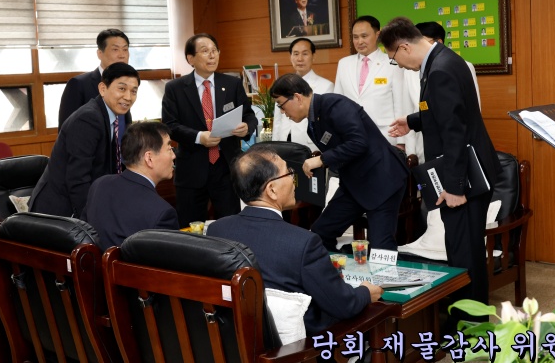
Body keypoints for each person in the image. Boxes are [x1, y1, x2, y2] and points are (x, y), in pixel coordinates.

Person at [383, 16, 501, 316]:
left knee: (464, 251)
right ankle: (470, 314)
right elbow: (446, 112)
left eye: (394, 59)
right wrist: (412, 121)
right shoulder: (444, 59)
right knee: (465, 247)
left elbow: (454, 133)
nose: (398, 65)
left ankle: (468, 321)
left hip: (465, 176)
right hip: (470, 168)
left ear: (404, 47)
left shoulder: (439, 71)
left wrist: (454, 187)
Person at [207, 145, 384, 335]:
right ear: (272, 190)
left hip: (237, 338)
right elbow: (343, 305)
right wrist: (366, 292)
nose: (294, 179)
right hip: (297, 346)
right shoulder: (304, 243)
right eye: (289, 172)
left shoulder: (217, 230)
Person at [270, 73, 408, 251]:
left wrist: (321, 159)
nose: (282, 112)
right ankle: (336, 268)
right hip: (354, 184)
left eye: (281, 105)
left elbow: (359, 143)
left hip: (381, 179)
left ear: (297, 97)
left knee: (381, 248)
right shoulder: (312, 123)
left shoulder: (335, 105)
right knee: (320, 233)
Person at [162, 33, 257, 227]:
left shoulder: (232, 84)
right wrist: (199, 137)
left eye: (215, 50)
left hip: (226, 167)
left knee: (230, 225)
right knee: (190, 226)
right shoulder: (175, 88)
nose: (212, 55)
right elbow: (169, 125)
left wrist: (247, 127)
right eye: (205, 51)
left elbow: (249, 115)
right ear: (190, 59)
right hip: (192, 168)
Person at [30, 63, 140, 217]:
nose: (128, 97)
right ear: (102, 88)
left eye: (133, 91)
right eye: (122, 89)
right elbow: (78, 179)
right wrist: (93, 219)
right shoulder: (88, 119)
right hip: (58, 212)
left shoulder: (113, 115)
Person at [81, 121, 178, 249]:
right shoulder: (162, 213)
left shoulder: (99, 185)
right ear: (149, 158)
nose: (174, 155)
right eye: (169, 149)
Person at [403, 21, 482, 163]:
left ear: (438, 42)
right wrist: (410, 151)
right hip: (423, 144)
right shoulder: (410, 70)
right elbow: (409, 108)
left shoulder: (459, 65)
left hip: (453, 147)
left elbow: (470, 109)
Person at [333, 15, 404, 146]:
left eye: (364, 36)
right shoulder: (344, 64)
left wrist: (401, 142)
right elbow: (337, 102)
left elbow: (400, 104)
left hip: (385, 135)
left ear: (377, 35)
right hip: (351, 136)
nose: (359, 41)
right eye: (355, 37)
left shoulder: (392, 63)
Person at [58, 28, 131, 130]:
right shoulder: (78, 84)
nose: (122, 55)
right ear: (100, 54)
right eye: (115, 49)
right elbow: (66, 130)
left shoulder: (127, 84)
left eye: (125, 49)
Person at [272, 37, 333, 151]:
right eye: (295, 54)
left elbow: (328, 124)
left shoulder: (326, 86)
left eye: (305, 54)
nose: (300, 59)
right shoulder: (282, 84)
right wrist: (274, 146)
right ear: (290, 57)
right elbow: (278, 120)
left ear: (313, 56)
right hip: (284, 143)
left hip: (310, 145)